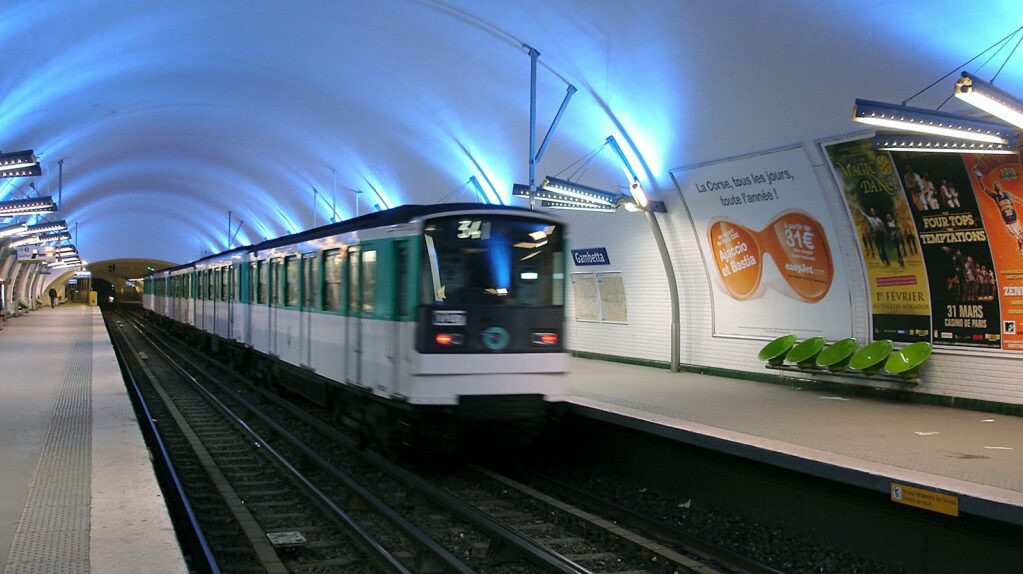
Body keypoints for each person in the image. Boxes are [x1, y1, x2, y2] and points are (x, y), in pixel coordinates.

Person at [974, 165, 1023, 257]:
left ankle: (1021, 250)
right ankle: (1021, 251)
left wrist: (1021, 202)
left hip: (1015, 220)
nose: (997, 188)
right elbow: (984, 189)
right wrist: (979, 179)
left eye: (998, 186)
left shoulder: (1007, 194)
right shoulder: (995, 197)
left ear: (1001, 187)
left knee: (1021, 236)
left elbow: (1017, 199)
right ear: (995, 189)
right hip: (1009, 223)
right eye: (995, 187)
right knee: (1019, 238)